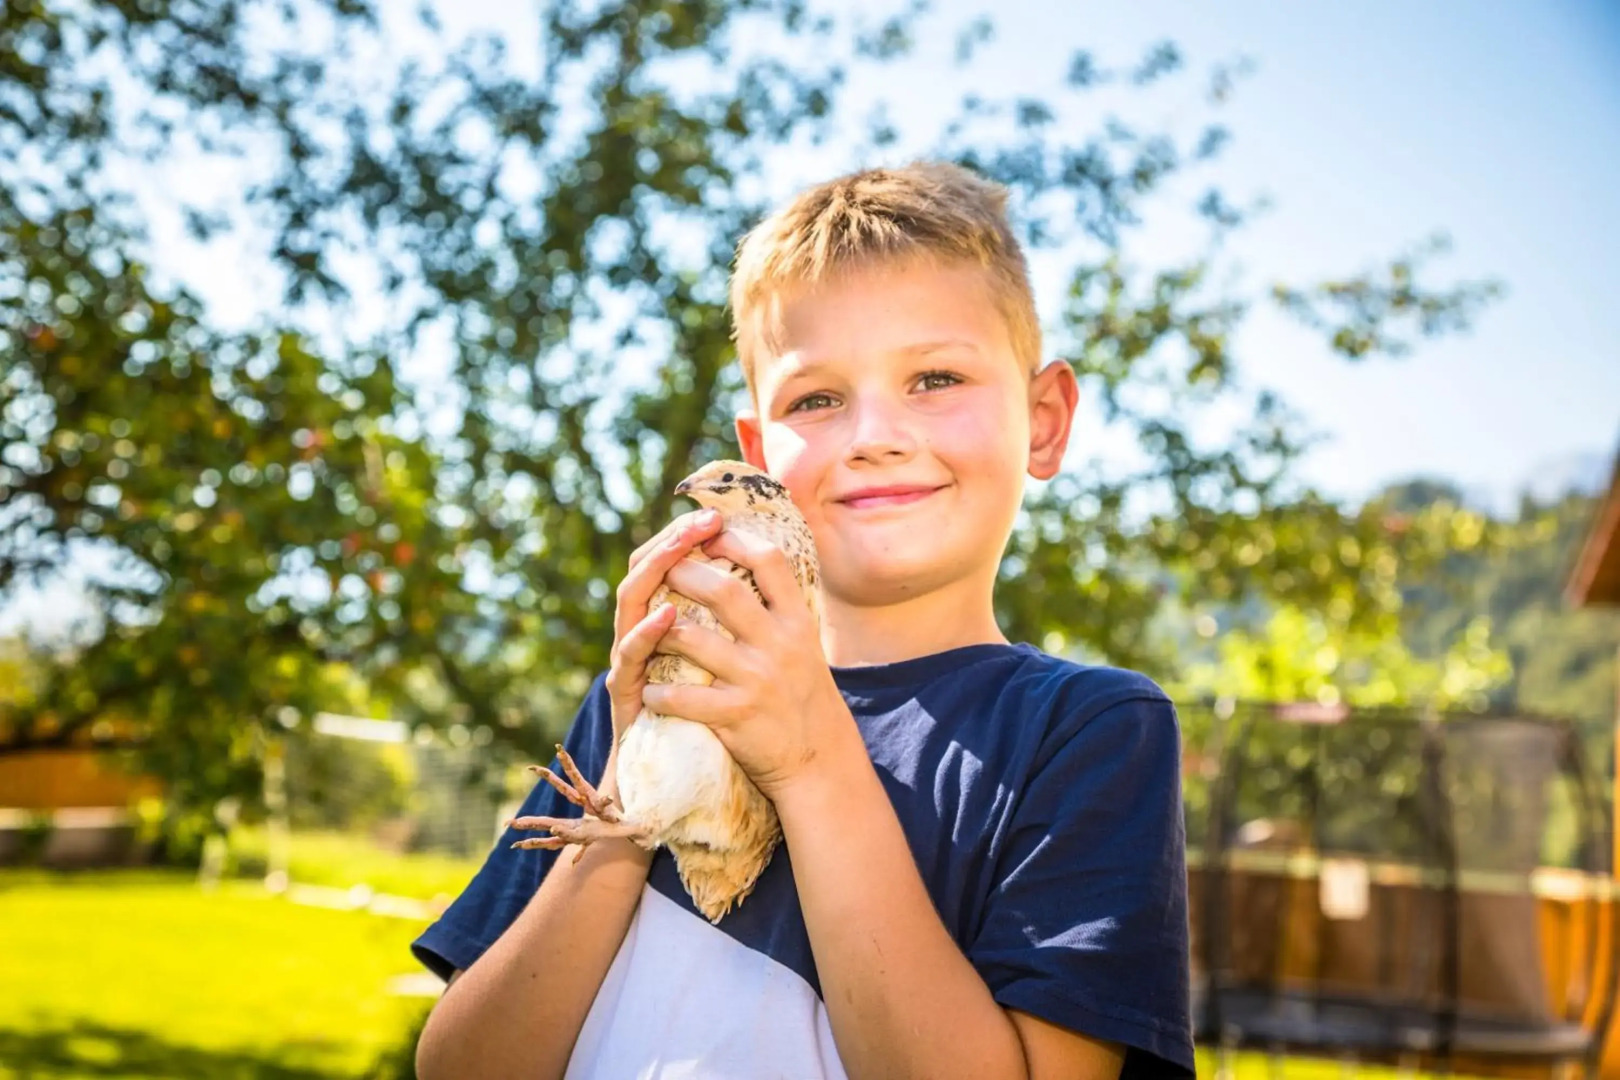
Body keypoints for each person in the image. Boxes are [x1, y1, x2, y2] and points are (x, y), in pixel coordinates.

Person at [411, 161, 1193, 1080]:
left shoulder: (1089, 734)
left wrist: (811, 757)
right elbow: (462, 1066)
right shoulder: (668, 681)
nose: (873, 435)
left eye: (936, 377)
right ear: (758, 458)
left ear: (1047, 419)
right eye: (816, 398)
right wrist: (634, 800)